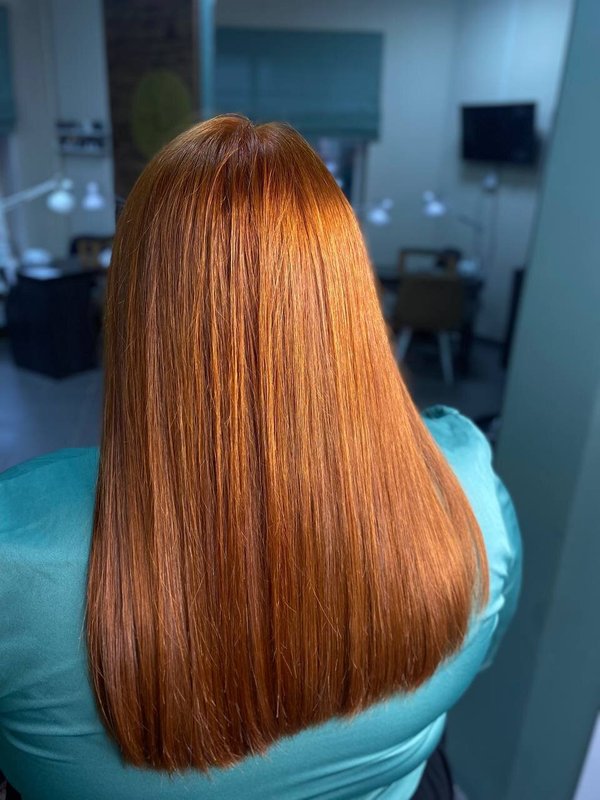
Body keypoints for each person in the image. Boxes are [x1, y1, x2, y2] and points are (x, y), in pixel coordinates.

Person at [0, 116, 521, 800]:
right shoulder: (470, 483)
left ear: (138, 314)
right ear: (349, 301)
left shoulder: (17, 552)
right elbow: (483, 653)